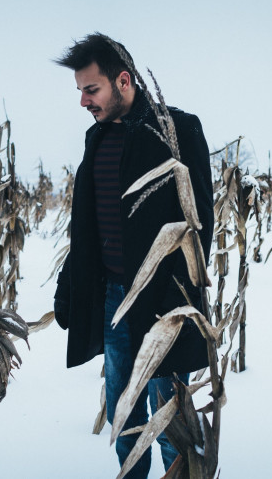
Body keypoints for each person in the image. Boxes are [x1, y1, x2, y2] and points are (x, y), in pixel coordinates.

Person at [53, 33, 214, 478]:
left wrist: (174, 297)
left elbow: (200, 225)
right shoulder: (97, 140)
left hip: (166, 305)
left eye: (92, 89)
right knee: (124, 418)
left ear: (123, 80)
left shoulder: (177, 131)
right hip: (114, 304)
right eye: (81, 91)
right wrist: (70, 286)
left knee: (171, 422)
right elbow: (88, 227)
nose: (84, 101)